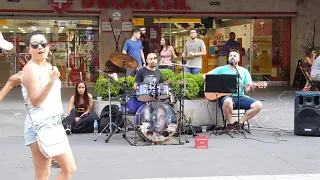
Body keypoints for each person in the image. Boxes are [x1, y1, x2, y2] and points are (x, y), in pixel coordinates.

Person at [21, 30, 76, 179]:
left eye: (43, 44)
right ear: (28, 49)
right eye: (35, 44)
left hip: (54, 124)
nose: (40, 47)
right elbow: (35, 101)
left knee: (69, 168)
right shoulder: (30, 69)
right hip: (40, 126)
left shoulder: (47, 66)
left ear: (49, 47)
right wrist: (52, 80)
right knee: (43, 174)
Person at [204, 49, 262, 129]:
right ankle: (230, 123)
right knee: (228, 101)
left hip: (240, 97)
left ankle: (239, 123)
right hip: (225, 97)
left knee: (258, 105)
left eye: (235, 56)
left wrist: (252, 87)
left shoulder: (244, 71)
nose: (232, 57)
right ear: (228, 58)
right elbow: (205, 76)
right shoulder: (221, 69)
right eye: (231, 56)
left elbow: (247, 90)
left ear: (238, 59)